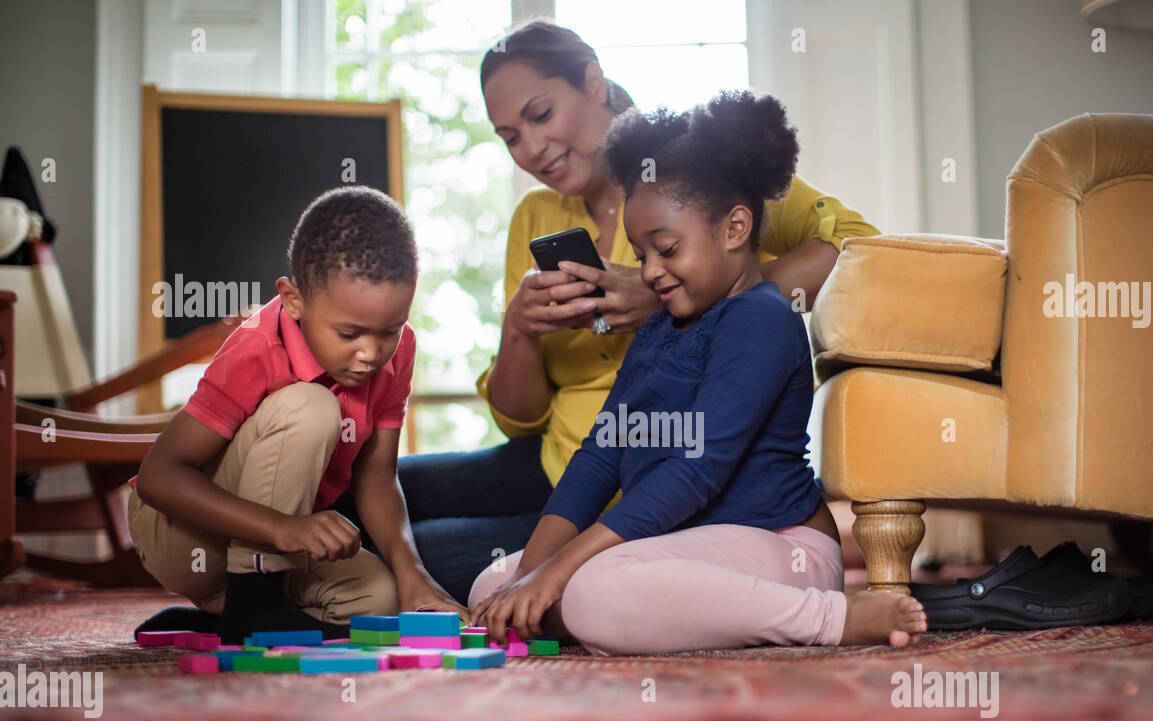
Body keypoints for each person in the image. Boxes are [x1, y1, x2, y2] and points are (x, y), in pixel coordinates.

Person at [396, 20, 881, 603]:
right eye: (509, 136)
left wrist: (685, 305)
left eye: (541, 114)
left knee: (414, 555)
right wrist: (518, 330)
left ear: (594, 82)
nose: (530, 148)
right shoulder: (536, 215)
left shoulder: (698, 173)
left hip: (656, 484)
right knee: (370, 501)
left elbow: (862, 250)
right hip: (562, 459)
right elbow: (524, 422)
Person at [467, 91, 928, 656]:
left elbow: (698, 469)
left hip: (781, 548)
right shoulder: (658, 330)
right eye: (641, 255)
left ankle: (831, 617)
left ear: (735, 228)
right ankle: (629, 610)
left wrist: (560, 573)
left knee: (587, 590)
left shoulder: (762, 319)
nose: (651, 272)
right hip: (690, 545)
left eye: (666, 249)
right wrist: (530, 575)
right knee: (492, 583)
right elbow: (600, 456)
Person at [128, 186, 466, 643]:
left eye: (389, 330)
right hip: (184, 537)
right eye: (349, 332)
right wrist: (282, 528)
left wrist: (413, 574)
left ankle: (234, 617)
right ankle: (252, 604)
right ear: (293, 300)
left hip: (280, 542)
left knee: (377, 599)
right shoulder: (258, 347)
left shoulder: (397, 351)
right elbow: (159, 477)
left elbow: (378, 476)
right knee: (309, 405)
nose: (371, 353)